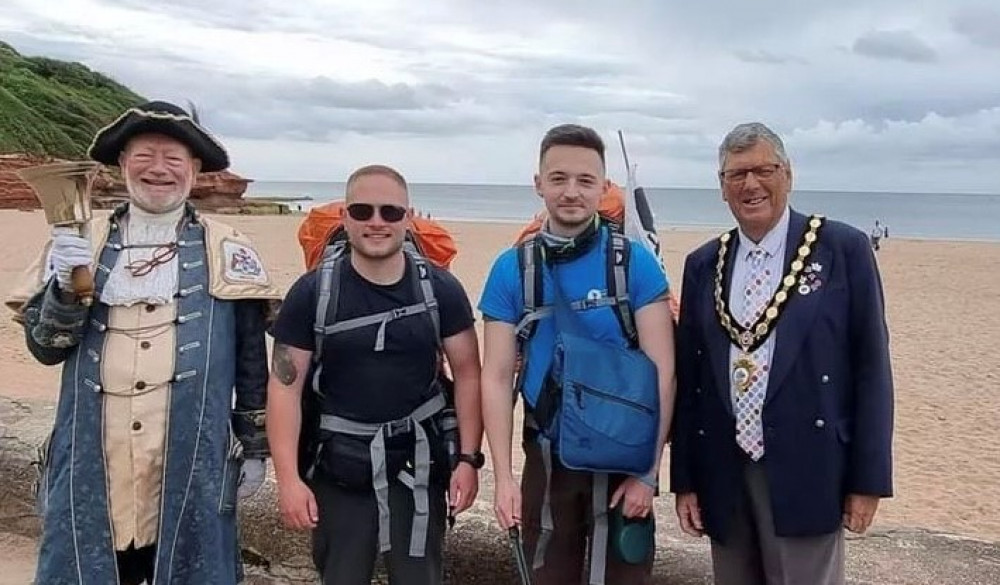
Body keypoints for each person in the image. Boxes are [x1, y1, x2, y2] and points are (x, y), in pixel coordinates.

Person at [5, 100, 282, 584]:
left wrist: (255, 448)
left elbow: (250, 361)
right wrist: (66, 288)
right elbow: (45, 348)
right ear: (122, 165)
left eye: (173, 159)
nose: (159, 170)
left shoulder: (228, 246)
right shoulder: (78, 240)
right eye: (144, 157)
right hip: (95, 457)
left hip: (190, 462)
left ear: (194, 170)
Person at [670, 122, 894, 585]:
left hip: (809, 467)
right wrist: (685, 479)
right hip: (725, 473)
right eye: (736, 174)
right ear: (722, 187)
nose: (750, 184)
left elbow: (872, 367)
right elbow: (692, 380)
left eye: (762, 170)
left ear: (787, 174)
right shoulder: (703, 264)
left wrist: (867, 481)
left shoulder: (841, 249)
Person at [266, 164, 483, 585]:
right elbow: (284, 388)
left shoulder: (440, 289)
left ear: (409, 216)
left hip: (417, 464)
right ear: (345, 216)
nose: (377, 222)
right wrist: (288, 481)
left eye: (390, 212)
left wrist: (468, 460)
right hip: (337, 466)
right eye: (363, 211)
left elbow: (469, 374)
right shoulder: (312, 294)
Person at [479, 124, 676, 584]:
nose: (572, 191)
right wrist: (504, 479)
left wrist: (647, 475)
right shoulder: (513, 270)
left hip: (624, 456)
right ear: (539, 183)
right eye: (559, 178)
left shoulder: (634, 264)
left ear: (604, 187)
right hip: (547, 457)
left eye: (586, 181)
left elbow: (662, 371)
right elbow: (496, 375)